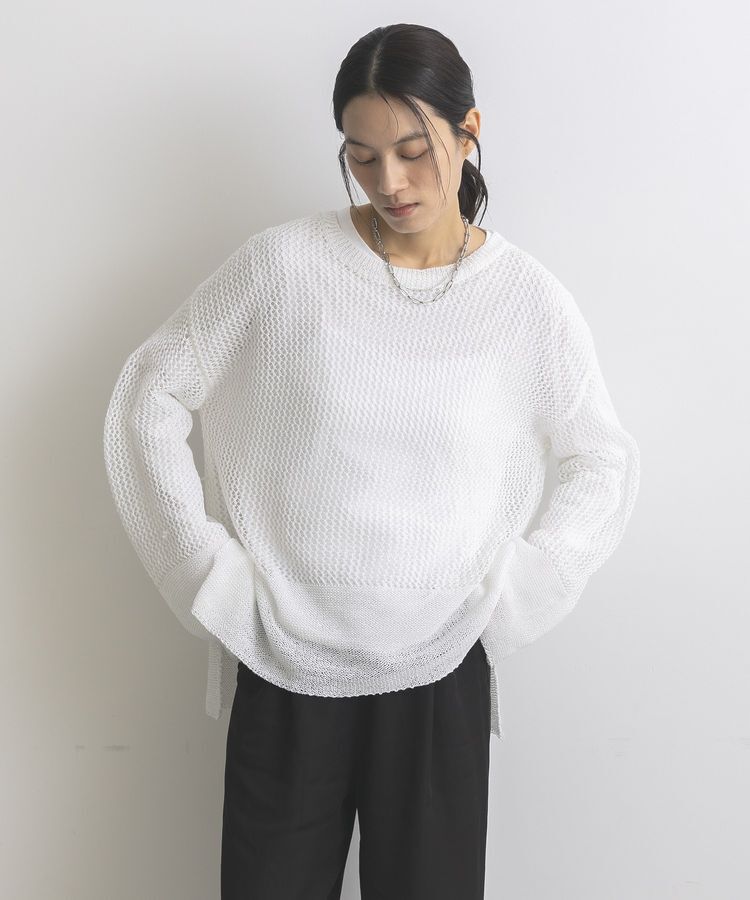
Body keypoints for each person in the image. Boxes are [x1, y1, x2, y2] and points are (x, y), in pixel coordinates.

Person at [102, 22, 640, 900]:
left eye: (413, 151)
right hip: (285, 659)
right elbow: (149, 394)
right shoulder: (284, 267)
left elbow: (601, 461)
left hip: (441, 666)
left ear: (469, 132)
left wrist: (518, 592)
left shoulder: (525, 303)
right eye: (361, 156)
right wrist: (202, 570)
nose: (389, 182)